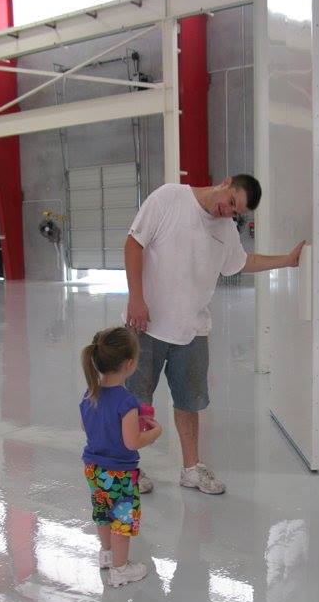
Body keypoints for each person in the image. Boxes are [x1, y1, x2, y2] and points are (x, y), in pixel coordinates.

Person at [125, 174, 304, 495]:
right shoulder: (169, 198)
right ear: (227, 182)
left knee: (190, 402)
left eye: (236, 213)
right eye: (231, 202)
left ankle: (191, 469)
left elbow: (240, 262)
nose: (228, 212)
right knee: (134, 401)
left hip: (192, 330)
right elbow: (133, 243)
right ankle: (129, 467)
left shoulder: (226, 230)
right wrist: (136, 298)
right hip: (147, 324)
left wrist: (286, 261)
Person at [80, 326, 162, 587]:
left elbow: (88, 427)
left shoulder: (89, 394)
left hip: (93, 468)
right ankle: (120, 568)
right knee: (122, 518)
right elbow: (132, 442)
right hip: (119, 473)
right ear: (128, 364)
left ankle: (106, 555)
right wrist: (155, 431)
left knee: (102, 512)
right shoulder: (126, 402)